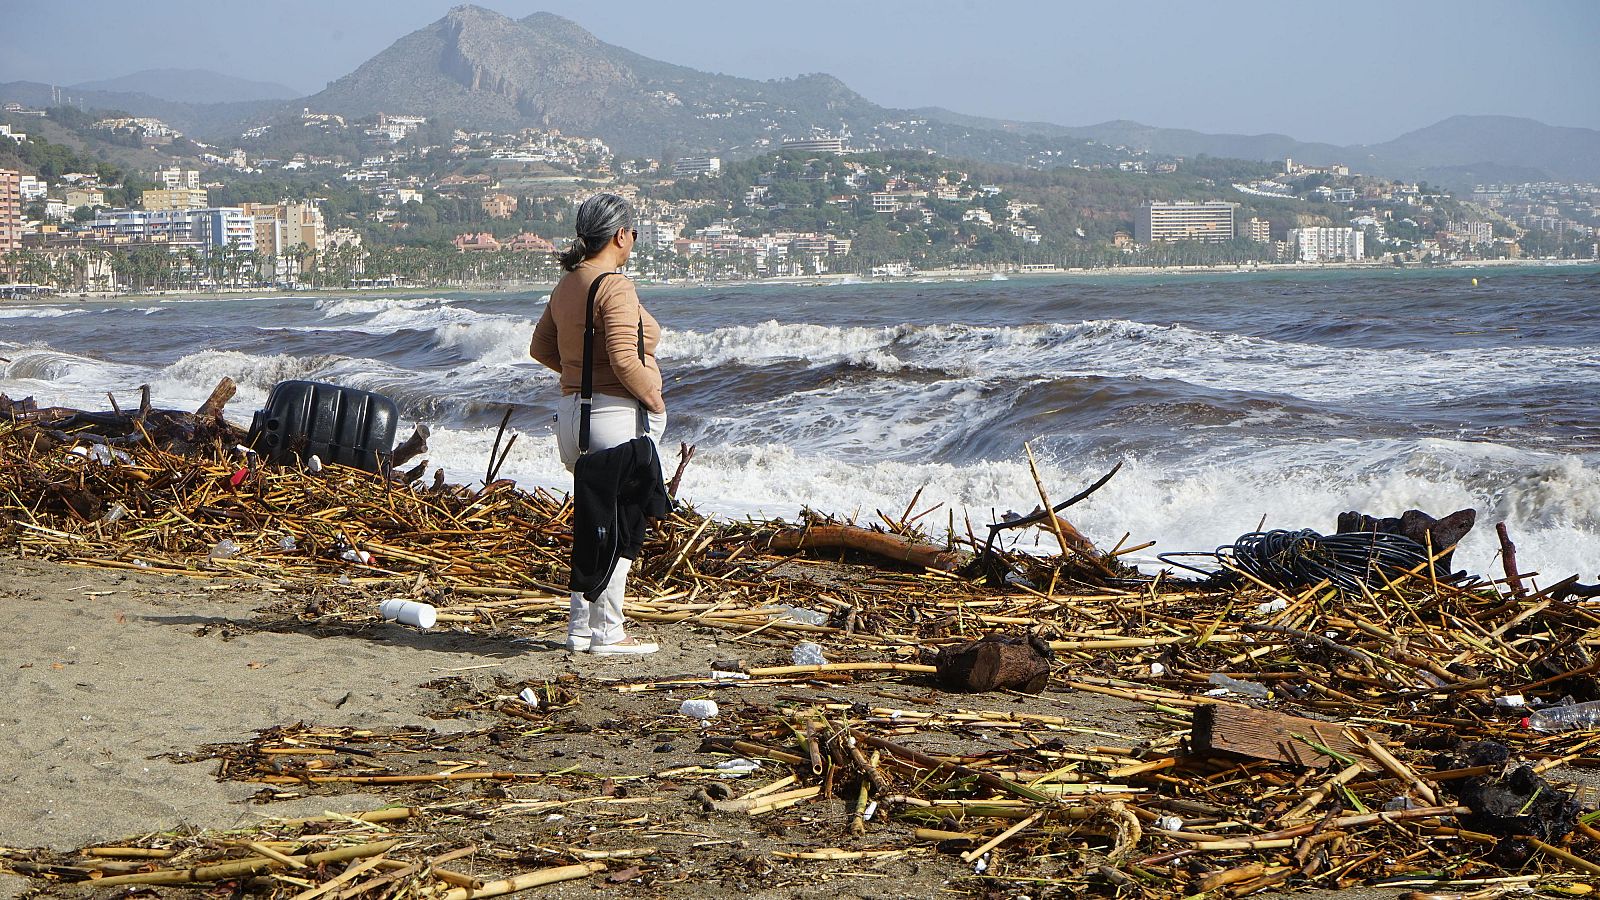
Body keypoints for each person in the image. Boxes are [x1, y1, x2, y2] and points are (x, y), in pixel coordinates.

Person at [530, 193, 666, 656]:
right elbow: (625, 359)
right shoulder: (615, 286)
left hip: (572, 418)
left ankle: (579, 629)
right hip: (613, 419)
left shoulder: (566, 285)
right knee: (622, 524)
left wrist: (578, 377)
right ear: (621, 235)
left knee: (596, 523)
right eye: (633, 234)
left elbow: (542, 349)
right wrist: (655, 398)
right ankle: (608, 632)